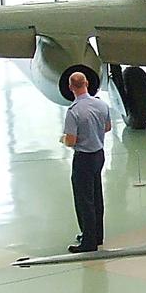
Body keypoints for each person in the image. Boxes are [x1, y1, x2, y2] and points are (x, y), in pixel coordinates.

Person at [62, 69, 112, 253]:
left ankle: (88, 241)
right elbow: (107, 127)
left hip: (83, 158)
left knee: (84, 200)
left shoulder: (73, 111)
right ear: (87, 84)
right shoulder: (101, 105)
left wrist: (65, 139)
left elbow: (71, 140)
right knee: (97, 196)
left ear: (70, 87)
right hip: (98, 154)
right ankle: (97, 234)